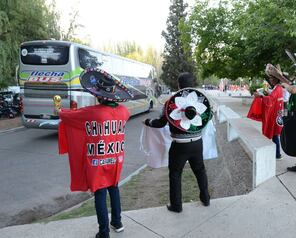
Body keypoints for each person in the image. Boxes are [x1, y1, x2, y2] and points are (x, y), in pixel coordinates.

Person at [58, 68, 132, 238]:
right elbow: (121, 114)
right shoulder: (123, 111)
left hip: (97, 161)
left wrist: (59, 111)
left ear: (98, 95)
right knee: (114, 188)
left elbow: (69, 116)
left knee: (100, 192)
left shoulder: (92, 112)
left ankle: (104, 232)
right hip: (116, 158)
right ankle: (117, 222)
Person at [144, 72, 211, 213]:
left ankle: (176, 206)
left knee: (175, 174)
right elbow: (208, 116)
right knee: (200, 170)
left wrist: (148, 122)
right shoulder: (200, 100)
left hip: (179, 145)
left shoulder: (171, 101)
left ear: (178, 84)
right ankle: (206, 198)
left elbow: (160, 123)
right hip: (197, 143)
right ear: (192, 84)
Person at [253, 74, 284, 160]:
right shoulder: (278, 88)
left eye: (272, 78)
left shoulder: (277, 88)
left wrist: (261, 96)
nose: (270, 80)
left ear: (276, 79)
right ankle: (277, 153)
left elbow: (271, 98)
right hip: (277, 113)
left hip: (275, 114)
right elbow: (273, 96)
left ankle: (277, 154)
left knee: (274, 134)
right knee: (275, 134)